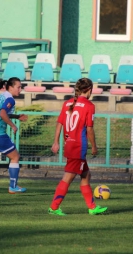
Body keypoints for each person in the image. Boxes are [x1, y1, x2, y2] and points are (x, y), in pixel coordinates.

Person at [48, 78, 107, 215]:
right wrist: (94, 146)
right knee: (68, 177)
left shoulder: (68, 103)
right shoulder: (89, 105)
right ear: (89, 90)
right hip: (78, 147)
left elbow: (59, 123)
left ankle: (92, 208)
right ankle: (54, 207)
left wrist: (56, 141)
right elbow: (90, 129)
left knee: (86, 175)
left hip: (69, 144)